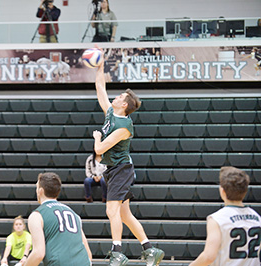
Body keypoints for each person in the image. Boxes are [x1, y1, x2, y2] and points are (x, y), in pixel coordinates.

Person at [92, 48, 164, 266]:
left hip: (122, 170)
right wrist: (100, 64)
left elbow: (100, 149)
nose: (116, 96)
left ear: (124, 105)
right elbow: (99, 87)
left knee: (110, 210)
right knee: (124, 215)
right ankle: (150, 249)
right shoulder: (111, 114)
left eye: (120, 96)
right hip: (114, 170)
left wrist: (96, 137)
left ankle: (117, 252)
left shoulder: (124, 126)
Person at [189, 166, 261, 266]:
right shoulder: (257, 218)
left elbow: (209, 256)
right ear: (245, 191)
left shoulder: (217, 219)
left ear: (222, 191)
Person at [24, 172, 92, 266]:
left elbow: (38, 254)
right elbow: (88, 254)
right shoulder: (74, 214)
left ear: (40, 191)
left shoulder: (37, 215)